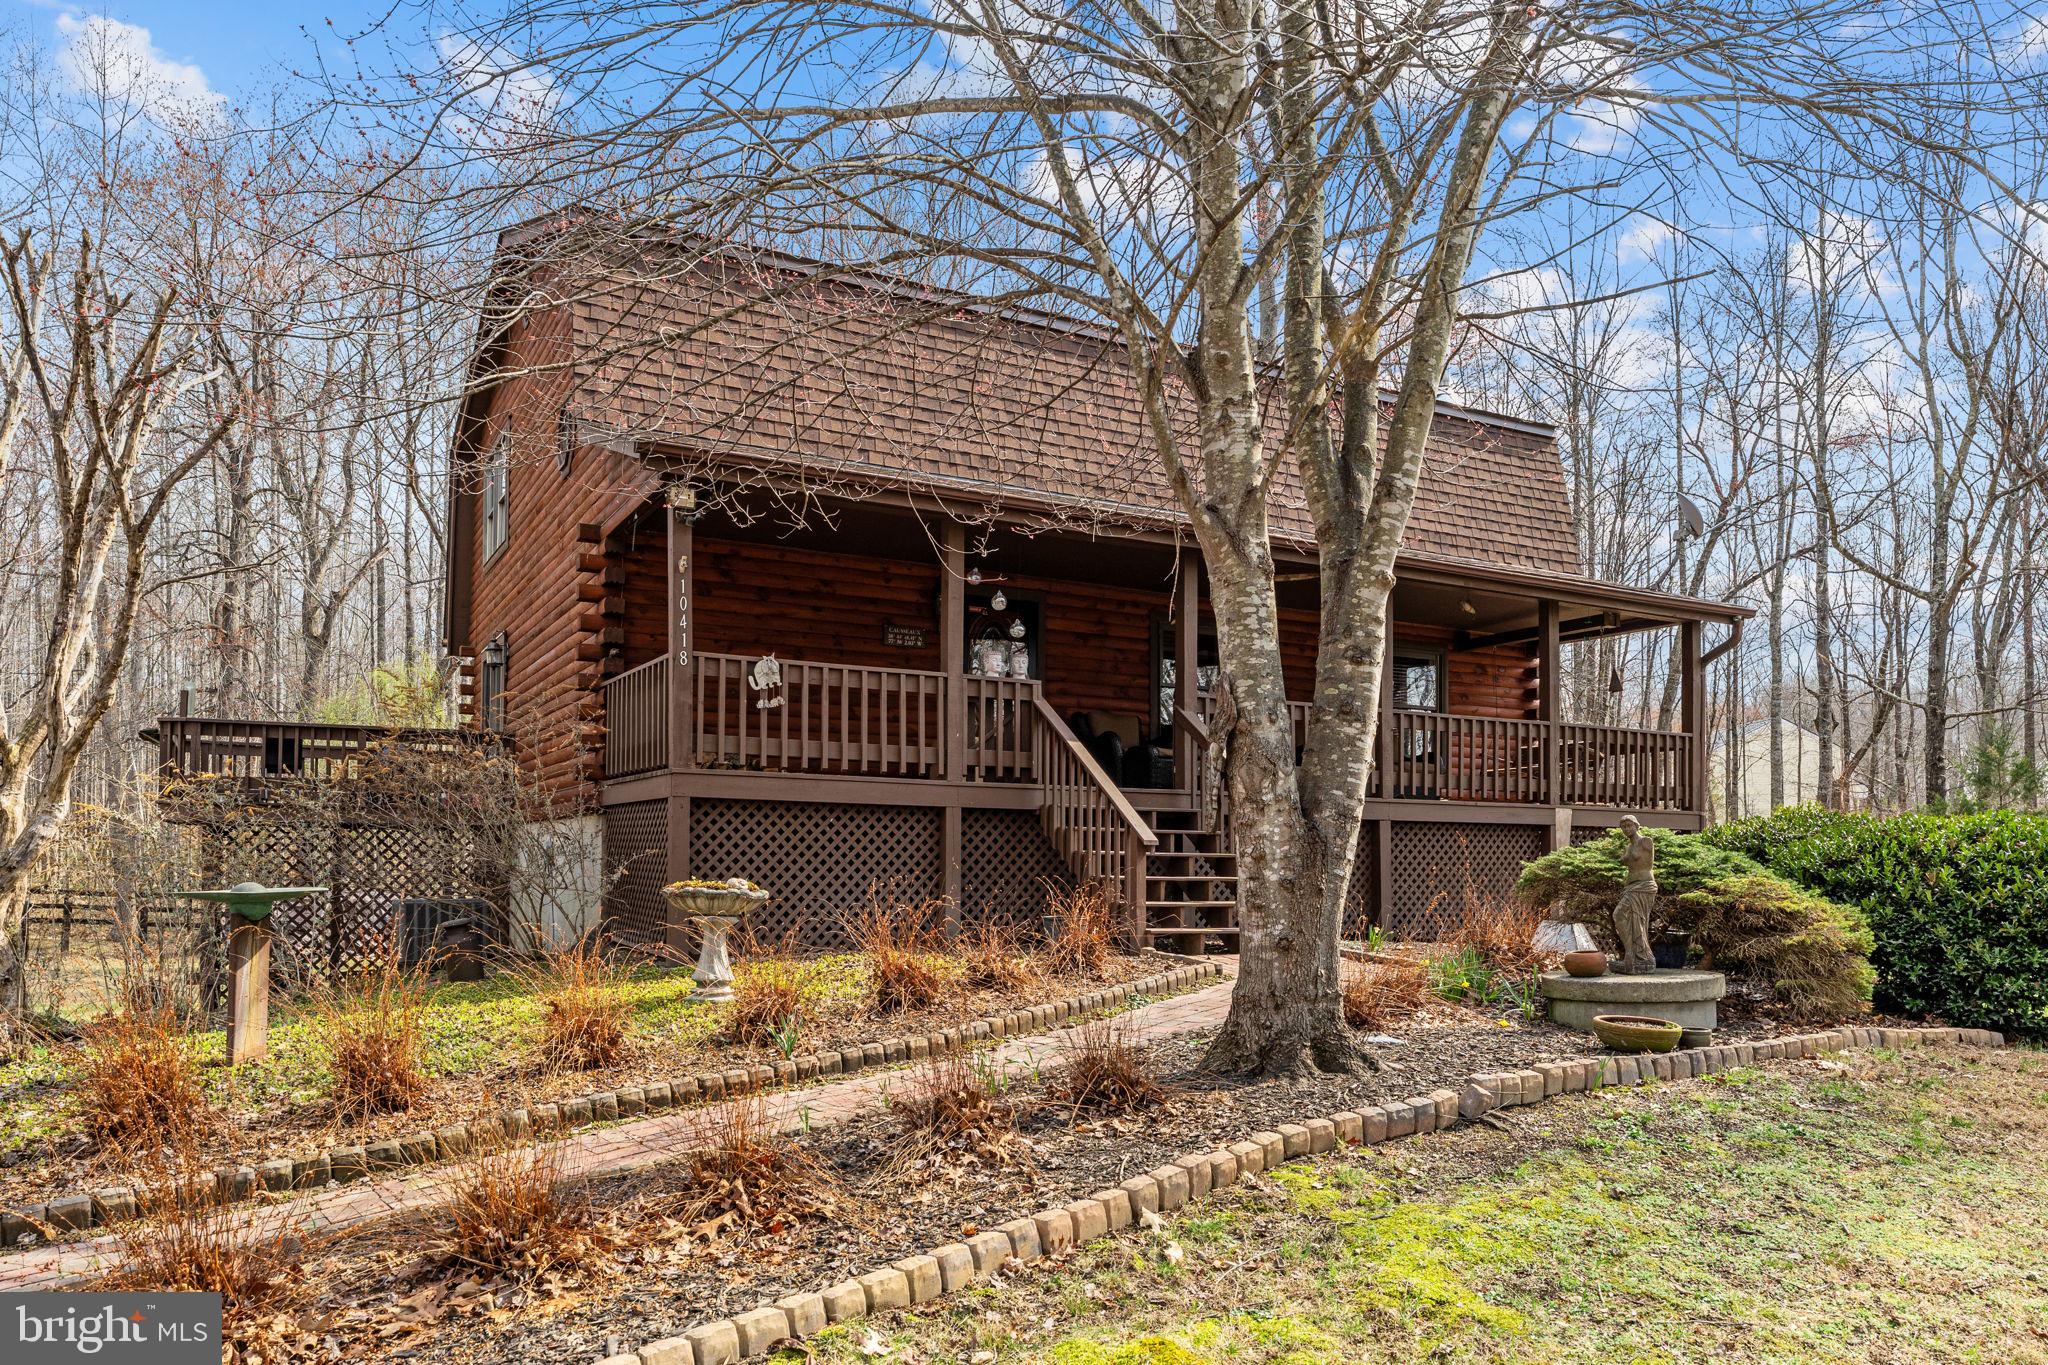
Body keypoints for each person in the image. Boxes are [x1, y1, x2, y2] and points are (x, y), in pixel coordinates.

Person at [1611, 815, 1658, 975]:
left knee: (1622, 915)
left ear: (1637, 826)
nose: (1626, 829)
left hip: (1644, 886)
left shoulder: (1646, 841)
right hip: (1631, 887)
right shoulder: (1628, 847)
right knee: (1631, 921)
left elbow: (1649, 863)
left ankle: (1637, 956)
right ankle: (1635, 957)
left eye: (1629, 825)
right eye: (1623, 826)